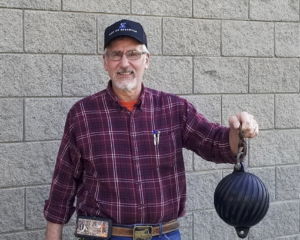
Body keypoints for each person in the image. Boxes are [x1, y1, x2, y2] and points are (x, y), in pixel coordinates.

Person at [44, 19, 259, 240]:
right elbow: (63, 182)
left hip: (162, 235)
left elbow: (215, 144)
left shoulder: (174, 109)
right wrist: (53, 235)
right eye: (116, 54)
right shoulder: (82, 114)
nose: (125, 63)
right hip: (103, 236)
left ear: (146, 60)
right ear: (105, 62)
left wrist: (238, 131)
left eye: (134, 54)